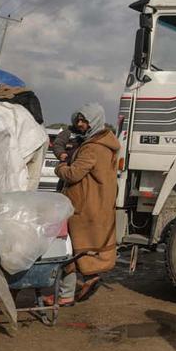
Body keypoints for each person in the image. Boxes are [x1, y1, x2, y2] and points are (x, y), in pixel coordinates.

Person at [54, 102, 121, 305]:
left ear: (94, 121)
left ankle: (72, 290)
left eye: (85, 120)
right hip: (97, 201)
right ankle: (74, 288)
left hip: (83, 203)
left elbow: (74, 174)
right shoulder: (108, 143)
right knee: (86, 245)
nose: (80, 123)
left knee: (69, 247)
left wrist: (60, 167)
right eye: (79, 119)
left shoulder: (92, 147)